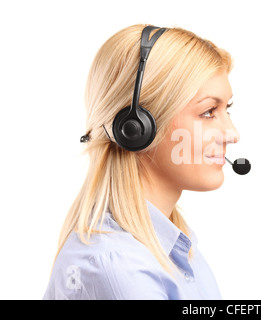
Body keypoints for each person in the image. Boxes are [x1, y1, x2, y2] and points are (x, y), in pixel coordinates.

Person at [43, 24, 240, 299]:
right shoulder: (118, 267)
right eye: (208, 112)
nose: (233, 134)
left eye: (226, 109)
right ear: (136, 128)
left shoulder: (174, 246)